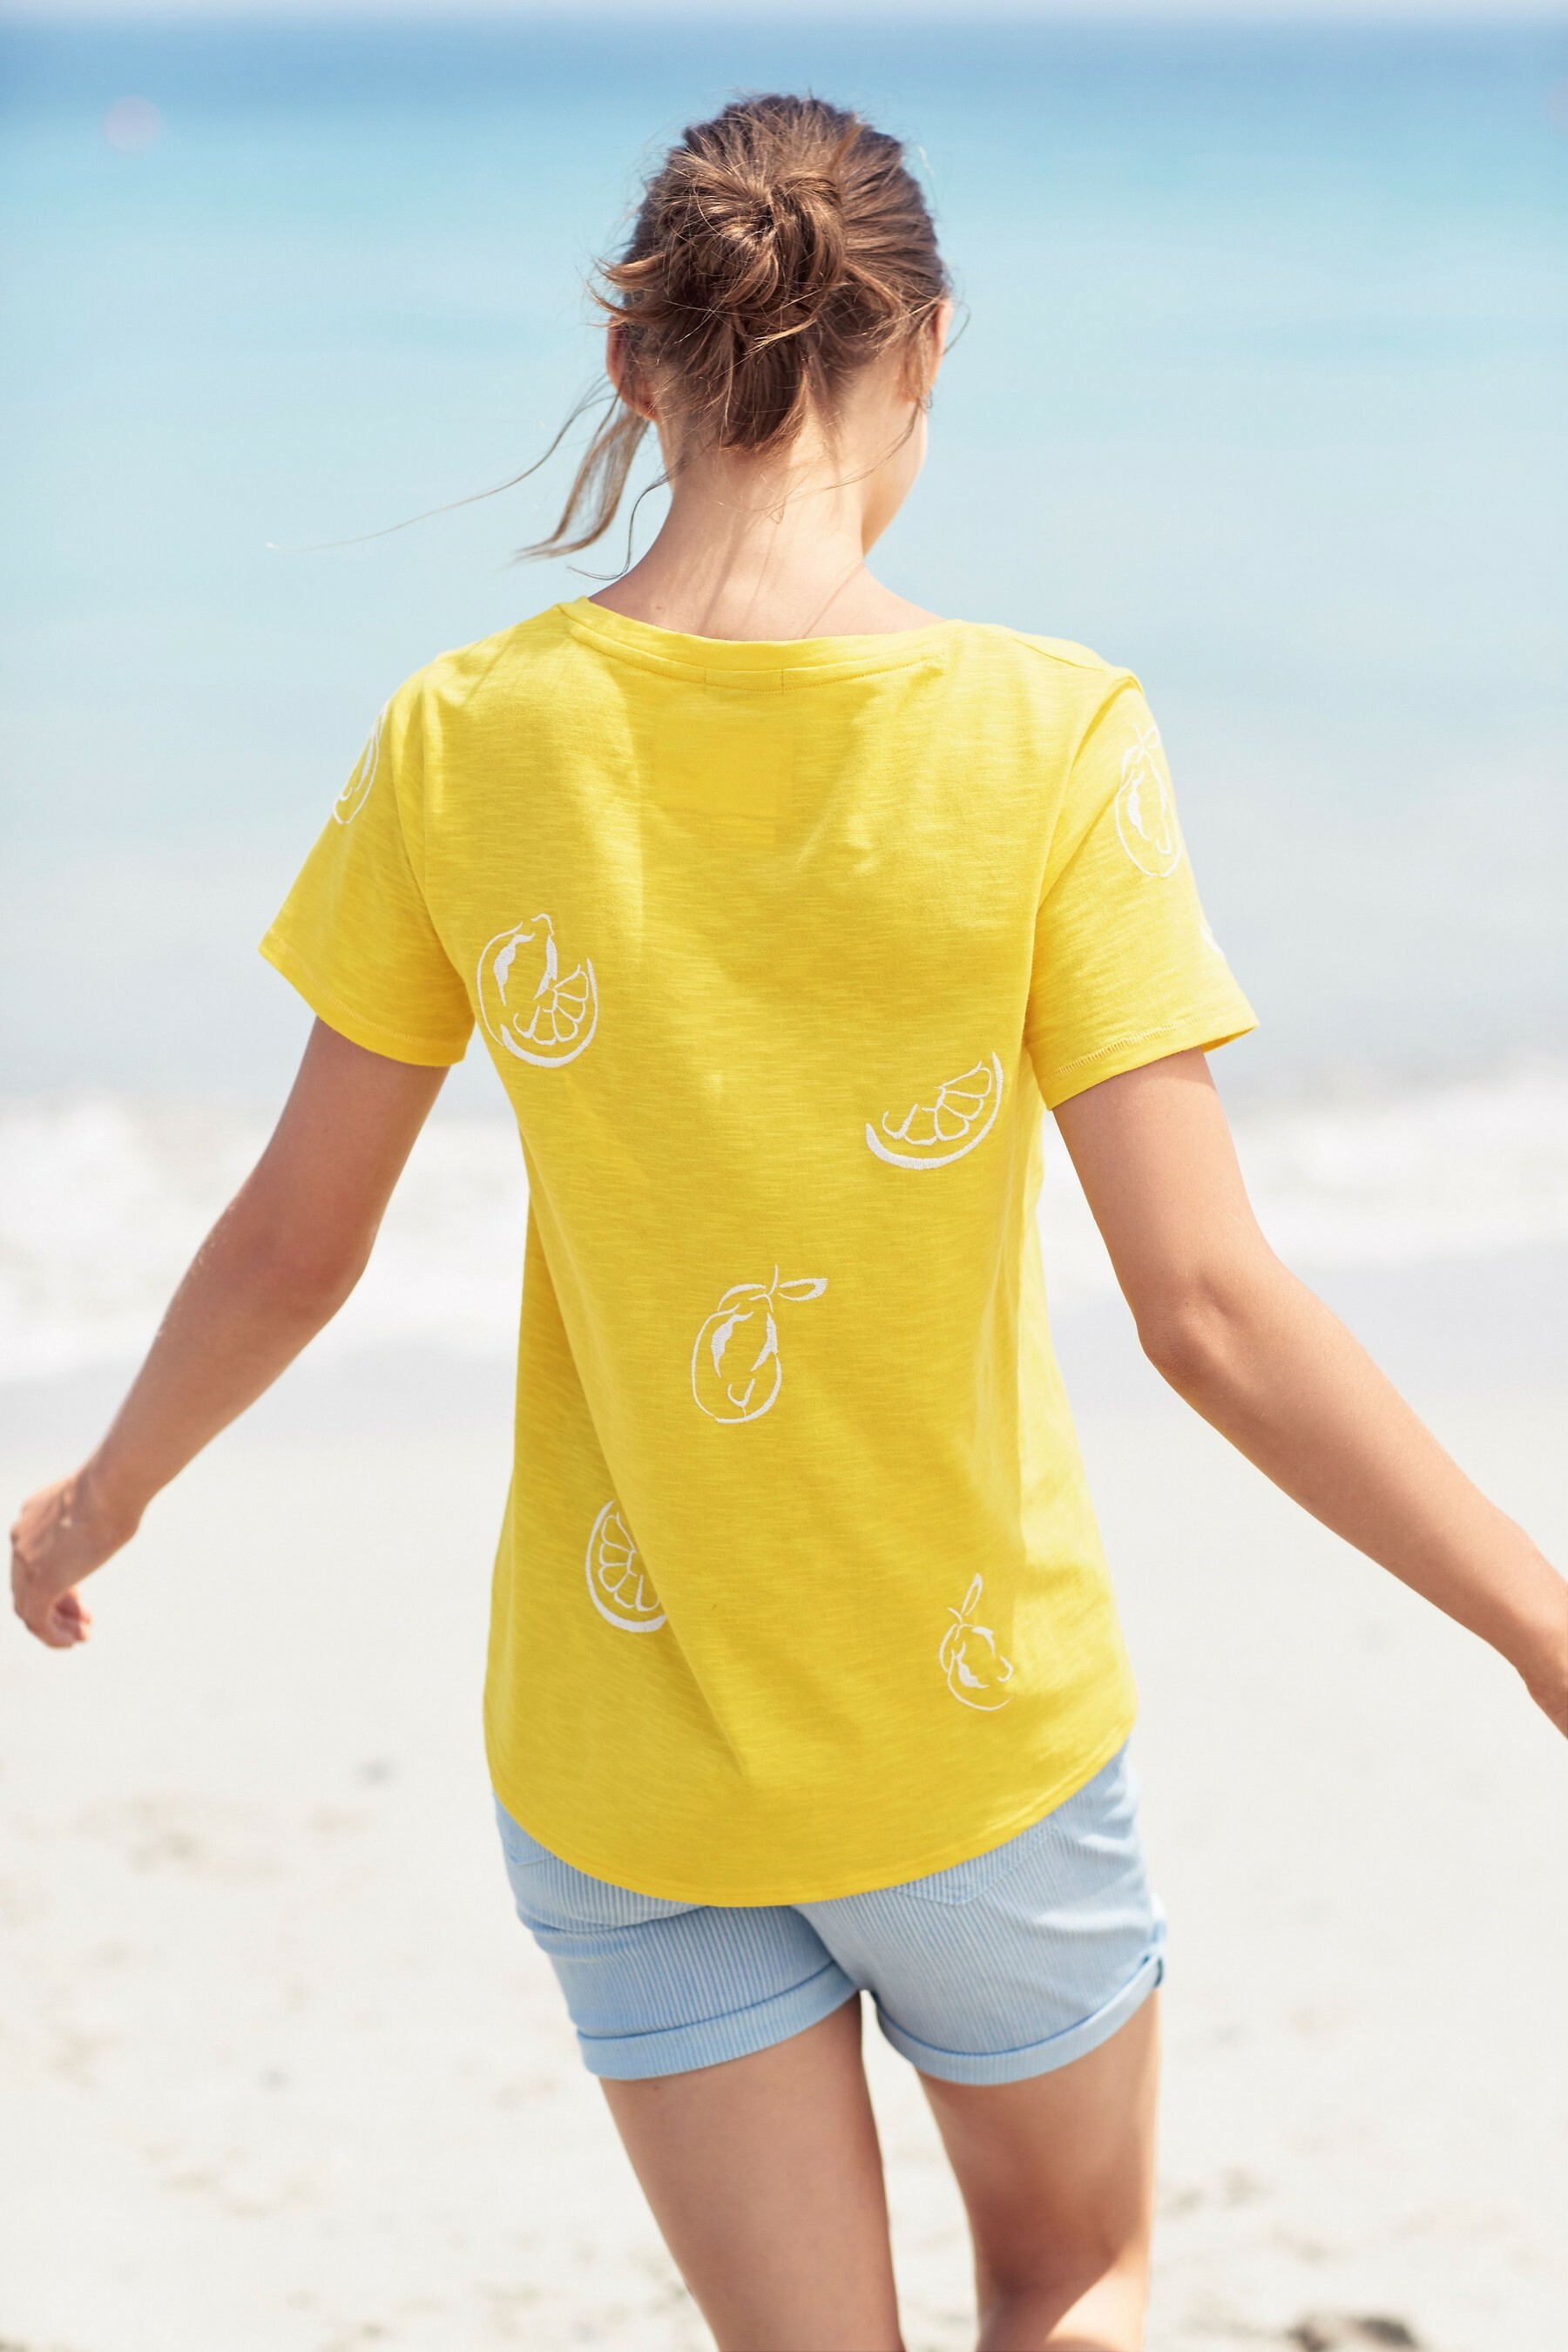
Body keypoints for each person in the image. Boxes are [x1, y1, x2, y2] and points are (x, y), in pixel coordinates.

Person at [10, 93, 1565, 2352]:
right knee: (1071, 2271)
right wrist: (1538, 1619)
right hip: (969, 1735)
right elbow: (1209, 1306)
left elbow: (292, 1241)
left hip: (624, 1764)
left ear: (630, 360)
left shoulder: (465, 737)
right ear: (924, 347)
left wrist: (98, 1498)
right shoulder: (1050, 738)